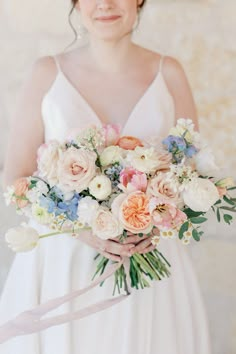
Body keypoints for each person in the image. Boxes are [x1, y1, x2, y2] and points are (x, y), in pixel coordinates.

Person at [0, 0, 212, 353]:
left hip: (150, 263)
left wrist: (154, 220)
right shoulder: (46, 73)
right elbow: (15, 180)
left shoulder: (169, 73)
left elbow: (189, 175)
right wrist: (80, 227)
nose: (105, 5)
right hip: (63, 264)